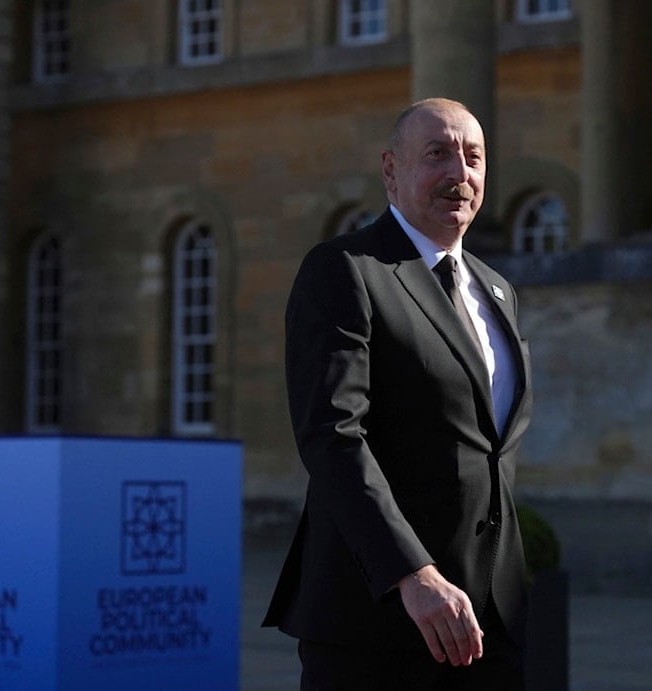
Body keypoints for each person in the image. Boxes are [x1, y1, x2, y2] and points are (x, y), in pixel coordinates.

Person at [263, 97, 534, 690]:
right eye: (437, 154)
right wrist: (414, 574)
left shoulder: (498, 290)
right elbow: (333, 437)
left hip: (489, 624)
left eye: (473, 157)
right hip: (378, 620)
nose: (459, 174)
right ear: (391, 169)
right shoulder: (347, 269)